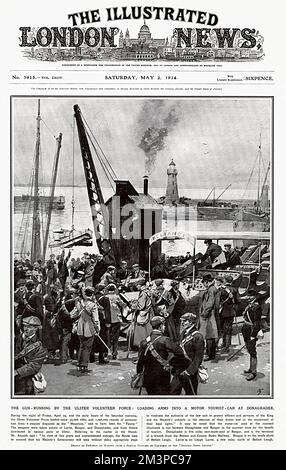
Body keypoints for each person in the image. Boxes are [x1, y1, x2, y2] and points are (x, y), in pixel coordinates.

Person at [136, 316, 185, 395]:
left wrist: (139, 374)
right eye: (164, 325)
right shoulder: (165, 340)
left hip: (148, 378)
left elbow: (140, 362)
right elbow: (180, 352)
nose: (164, 327)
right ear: (161, 326)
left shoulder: (144, 342)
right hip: (162, 377)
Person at [170, 313, 205, 395]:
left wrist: (189, 371)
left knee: (191, 395)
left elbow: (198, 358)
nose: (182, 323)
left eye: (185, 321)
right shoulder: (183, 333)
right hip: (179, 370)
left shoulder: (198, 336)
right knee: (172, 393)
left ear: (191, 322)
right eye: (182, 321)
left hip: (189, 372)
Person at [14, 316, 48, 395]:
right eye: (25, 326)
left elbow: (35, 365)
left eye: (29, 327)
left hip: (26, 379)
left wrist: (16, 372)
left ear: (36, 329)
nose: (25, 329)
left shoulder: (40, 346)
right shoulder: (15, 339)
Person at [76, 287, 99, 373]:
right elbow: (95, 318)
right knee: (87, 347)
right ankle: (84, 365)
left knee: (81, 346)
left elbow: (75, 314)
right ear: (92, 294)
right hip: (89, 327)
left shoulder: (79, 303)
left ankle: (79, 363)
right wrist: (97, 328)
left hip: (80, 326)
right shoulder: (93, 305)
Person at [241, 288, 262, 381]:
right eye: (248, 296)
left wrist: (253, 335)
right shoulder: (250, 305)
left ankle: (253, 372)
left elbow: (257, 322)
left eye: (250, 296)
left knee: (252, 352)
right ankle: (250, 368)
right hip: (246, 329)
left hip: (251, 330)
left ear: (254, 296)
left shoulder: (256, 307)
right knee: (249, 350)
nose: (248, 298)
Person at [199, 273, 218, 361]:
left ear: (207, 282)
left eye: (204, 282)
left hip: (210, 315)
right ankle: (211, 353)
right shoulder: (212, 289)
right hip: (211, 313)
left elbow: (210, 303)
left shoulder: (211, 290)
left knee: (209, 334)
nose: (204, 284)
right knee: (211, 334)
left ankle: (210, 354)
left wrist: (204, 313)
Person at [219, 275, 238, 353]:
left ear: (225, 281)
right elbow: (237, 301)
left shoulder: (221, 290)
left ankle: (223, 344)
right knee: (228, 329)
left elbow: (218, 300)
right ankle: (227, 346)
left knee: (222, 329)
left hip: (222, 312)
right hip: (230, 312)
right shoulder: (234, 290)